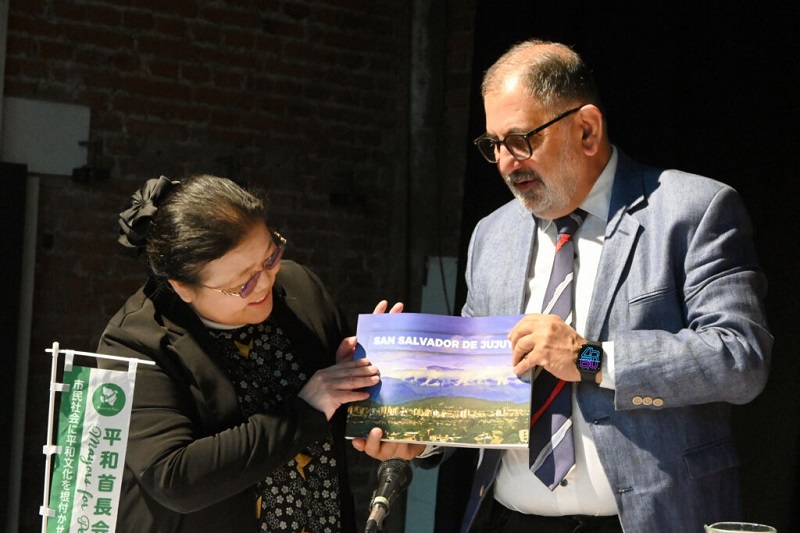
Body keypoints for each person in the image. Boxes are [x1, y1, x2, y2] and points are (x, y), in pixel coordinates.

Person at [413, 39, 773, 532]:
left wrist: (590, 359)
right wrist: (417, 430)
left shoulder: (692, 211)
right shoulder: (491, 235)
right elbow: (482, 384)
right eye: (493, 144)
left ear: (586, 129)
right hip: (511, 520)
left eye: (520, 139)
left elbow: (740, 359)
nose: (506, 161)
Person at [97, 174, 401, 533]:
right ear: (183, 287)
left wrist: (380, 381)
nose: (265, 283)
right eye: (242, 283)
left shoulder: (300, 287)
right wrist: (307, 408)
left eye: (270, 258)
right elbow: (174, 477)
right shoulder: (136, 340)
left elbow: (341, 407)